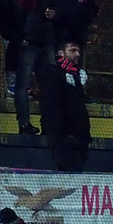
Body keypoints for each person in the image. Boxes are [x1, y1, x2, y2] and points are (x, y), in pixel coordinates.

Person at [0, 0, 46, 136]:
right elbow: (1, 21)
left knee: (47, 84)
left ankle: (48, 123)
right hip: (23, 44)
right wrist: (17, 38)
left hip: (43, 42)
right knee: (22, 85)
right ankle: (24, 123)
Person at [39, 39, 91, 170]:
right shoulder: (52, 73)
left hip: (79, 138)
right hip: (62, 137)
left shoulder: (77, 77)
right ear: (61, 53)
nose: (77, 54)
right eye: (72, 50)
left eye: (78, 51)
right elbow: (51, 105)